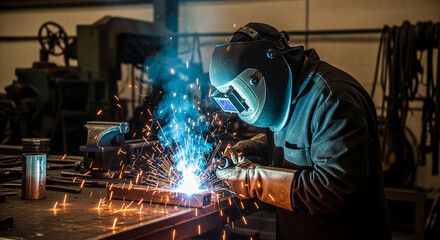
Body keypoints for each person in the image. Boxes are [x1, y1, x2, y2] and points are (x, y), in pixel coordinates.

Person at [209, 22, 391, 240]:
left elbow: (334, 191)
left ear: (263, 74)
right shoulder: (285, 94)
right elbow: (300, 144)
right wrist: (255, 149)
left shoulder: (332, 100)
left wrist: (251, 179)